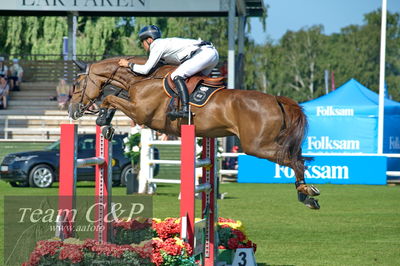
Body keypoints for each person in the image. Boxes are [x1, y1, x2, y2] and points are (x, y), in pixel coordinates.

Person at [118, 25, 219, 120]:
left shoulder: (156, 45)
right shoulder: (164, 44)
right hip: (212, 54)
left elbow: (145, 70)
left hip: (204, 54)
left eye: (142, 42)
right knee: (193, 81)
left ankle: (184, 110)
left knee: (176, 75)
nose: (142, 45)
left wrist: (129, 64)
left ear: (149, 40)